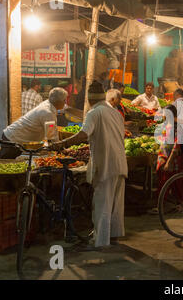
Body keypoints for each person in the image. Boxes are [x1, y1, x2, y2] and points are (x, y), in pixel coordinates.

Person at [52, 81, 128, 249]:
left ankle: (100, 242)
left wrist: (61, 144)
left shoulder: (94, 113)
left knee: (103, 204)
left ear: (90, 99)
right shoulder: (114, 112)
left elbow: (83, 134)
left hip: (106, 164)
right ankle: (114, 236)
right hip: (120, 163)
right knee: (116, 204)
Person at [0, 87, 68, 159]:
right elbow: (52, 137)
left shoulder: (48, 104)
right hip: (12, 139)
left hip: (13, 137)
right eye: (64, 100)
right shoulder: (47, 112)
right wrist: (62, 151)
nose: (65, 103)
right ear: (58, 101)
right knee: (6, 165)